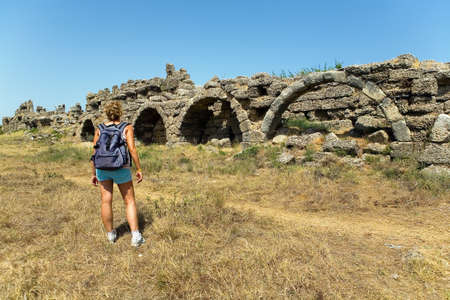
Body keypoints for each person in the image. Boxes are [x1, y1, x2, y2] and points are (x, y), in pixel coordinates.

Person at [90, 101, 145, 247]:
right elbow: (132, 149)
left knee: (106, 200)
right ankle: (135, 236)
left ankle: (110, 235)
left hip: (102, 168)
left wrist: (93, 173)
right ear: (120, 112)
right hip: (121, 168)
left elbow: (94, 152)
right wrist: (138, 169)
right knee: (129, 201)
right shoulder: (126, 127)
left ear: (107, 113)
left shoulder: (99, 129)